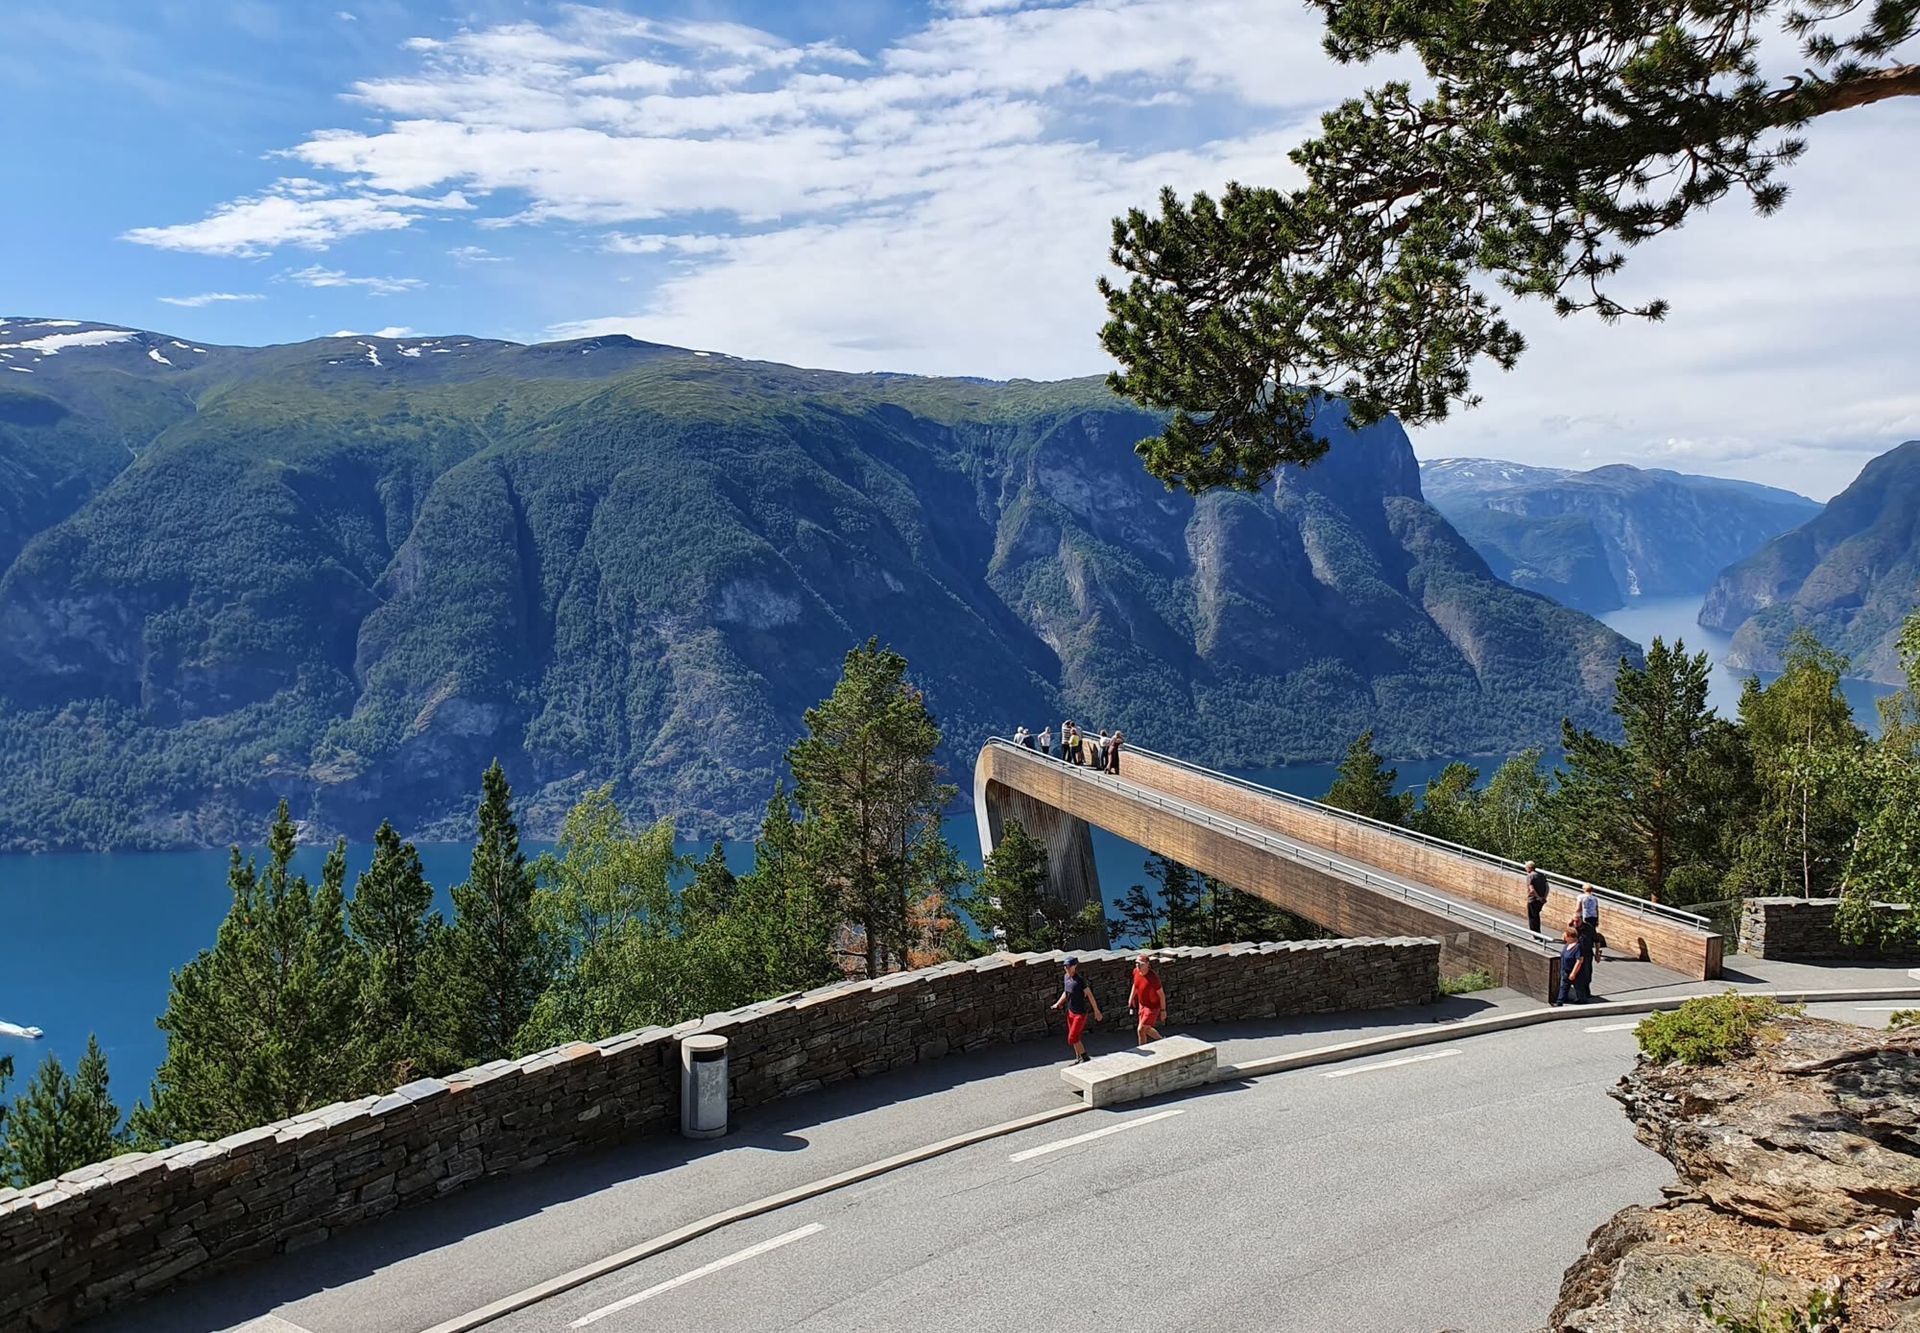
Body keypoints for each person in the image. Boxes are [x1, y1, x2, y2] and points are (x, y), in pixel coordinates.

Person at [1051, 957, 1103, 1063]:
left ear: (1075, 966)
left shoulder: (1080, 981)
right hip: (1071, 1012)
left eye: (1069, 966)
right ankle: (1078, 1058)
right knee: (1076, 1037)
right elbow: (1066, 993)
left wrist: (1096, 1011)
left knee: (1072, 1037)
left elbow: (1090, 995)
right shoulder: (1066, 977)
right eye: (1065, 966)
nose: (1067, 968)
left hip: (1080, 1014)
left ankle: (1085, 1058)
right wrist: (1058, 1003)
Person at [1127, 954, 1164, 1043]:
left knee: (1141, 1029)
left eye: (1141, 964)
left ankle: (1143, 1052)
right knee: (1146, 1029)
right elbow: (1135, 985)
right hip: (1142, 1004)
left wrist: (1163, 1010)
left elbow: (1161, 995)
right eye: (1136, 963)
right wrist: (1131, 998)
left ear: (1148, 964)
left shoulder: (1153, 978)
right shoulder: (1136, 971)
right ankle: (1162, 1041)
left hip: (1152, 1007)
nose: (1138, 966)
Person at [1554, 926, 1587, 1006]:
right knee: (1563, 986)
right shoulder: (1567, 945)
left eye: (1565, 936)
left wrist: (1573, 973)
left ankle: (1582, 1000)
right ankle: (1560, 1001)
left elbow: (1579, 961)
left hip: (1575, 972)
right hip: (1565, 971)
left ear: (1570, 937)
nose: (1563, 938)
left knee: (1579, 988)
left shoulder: (1578, 947)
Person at [1523, 860, 1549, 934]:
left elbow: (1532, 889)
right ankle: (1538, 933)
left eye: (1526, 867)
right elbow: (1547, 887)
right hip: (1541, 900)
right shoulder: (1542, 875)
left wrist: (1538, 897)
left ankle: (1535, 934)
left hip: (1533, 899)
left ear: (1530, 868)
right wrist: (1544, 897)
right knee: (1536, 916)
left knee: (1532, 917)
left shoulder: (1530, 876)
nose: (1525, 869)